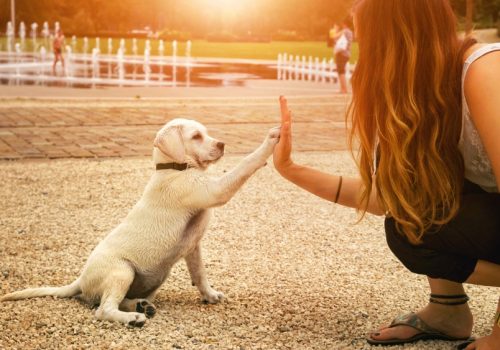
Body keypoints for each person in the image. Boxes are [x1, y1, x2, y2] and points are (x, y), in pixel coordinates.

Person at [272, 0, 500, 349]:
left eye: (369, 44)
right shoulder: (417, 99)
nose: (363, 59)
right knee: (407, 224)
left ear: (396, 40)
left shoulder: (483, 70)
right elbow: (387, 201)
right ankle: (447, 312)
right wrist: (290, 169)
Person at [333, 19, 353, 94]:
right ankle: (342, 89)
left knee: (341, 71)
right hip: (347, 54)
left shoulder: (345, 31)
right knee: (341, 71)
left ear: (345, 24)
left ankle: (344, 89)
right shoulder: (350, 32)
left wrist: (335, 29)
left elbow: (334, 37)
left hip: (342, 54)